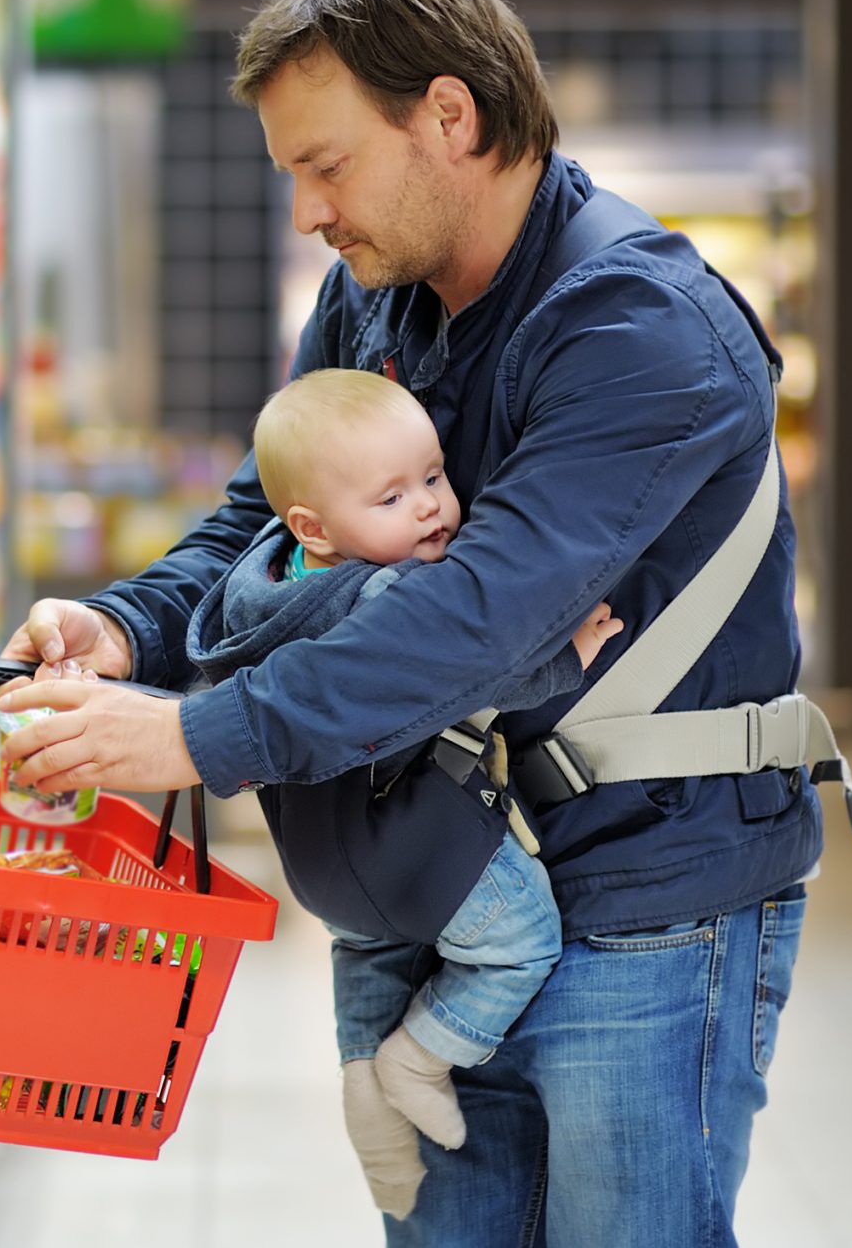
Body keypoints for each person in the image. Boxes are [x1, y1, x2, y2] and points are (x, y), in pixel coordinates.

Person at [0, 0, 821, 1244]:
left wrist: (198, 735)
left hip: (644, 890)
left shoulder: (639, 322)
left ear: (451, 113)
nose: (309, 212)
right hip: (432, 869)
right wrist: (131, 623)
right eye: (293, 177)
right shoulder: (372, 301)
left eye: (327, 165)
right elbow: (269, 515)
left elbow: (488, 608)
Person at [190, 368, 622, 1213]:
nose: (430, 506)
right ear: (313, 525)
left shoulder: (257, 591)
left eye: (432, 476)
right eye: (392, 497)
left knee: (367, 953)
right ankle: (419, 1054)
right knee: (524, 939)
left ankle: (366, 1084)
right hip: (415, 850)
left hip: (321, 868)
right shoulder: (390, 594)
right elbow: (473, 666)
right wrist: (565, 658)